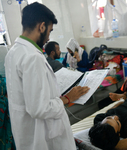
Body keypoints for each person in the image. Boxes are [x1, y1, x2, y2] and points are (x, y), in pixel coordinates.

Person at [4, 2, 89, 150]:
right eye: (49, 31)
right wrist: (67, 98)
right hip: (43, 138)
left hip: (25, 132)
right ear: (41, 27)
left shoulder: (13, 52)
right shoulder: (32, 57)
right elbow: (38, 108)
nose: (49, 38)